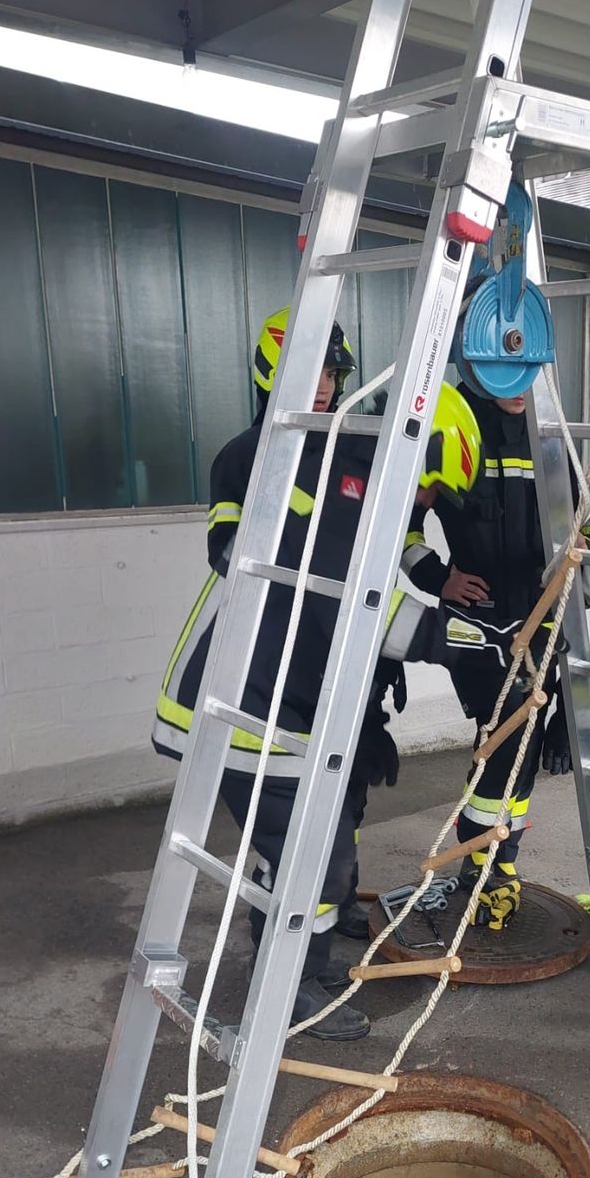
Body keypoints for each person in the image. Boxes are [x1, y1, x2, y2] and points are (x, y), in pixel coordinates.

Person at [153, 307, 479, 1041]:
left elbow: (369, 565)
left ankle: (314, 961)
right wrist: (451, 641)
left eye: (337, 373)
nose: (328, 385)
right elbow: (338, 589)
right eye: (428, 491)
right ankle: (288, 988)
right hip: (244, 702)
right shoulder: (257, 457)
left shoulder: (344, 470)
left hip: (291, 697)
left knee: (326, 844)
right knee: (304, 853)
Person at [400, 342, 570, 931]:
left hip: (542, 616)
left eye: (529, 369)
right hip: (477, 625)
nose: (519, 382)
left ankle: (496, 861)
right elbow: (401, 525)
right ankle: (488, 870)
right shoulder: (450, 420)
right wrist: (439, 578)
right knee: (501, 744)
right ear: (473, 365)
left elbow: (578, 528)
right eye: (504, 370)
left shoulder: (550, 432)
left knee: (522, 746)